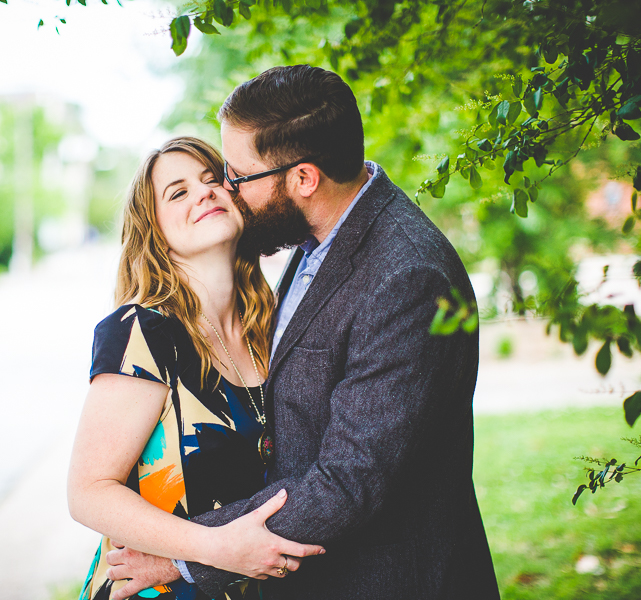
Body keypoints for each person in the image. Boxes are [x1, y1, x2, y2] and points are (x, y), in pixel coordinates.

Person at [105, 65, 501, 599]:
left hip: (386, 580)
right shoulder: (314, 244)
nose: (227, 189)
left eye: (238, 176)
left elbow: (349, 480)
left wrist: (185, 555)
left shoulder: (405, 276)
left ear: (303, 179)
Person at [67, 136, 325, 600]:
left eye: (213, 180)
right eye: (178, 192)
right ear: (154, 232)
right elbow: (88, 491)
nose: (205, 192)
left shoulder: (271, 325)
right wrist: (215, 548)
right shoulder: (141, 331)